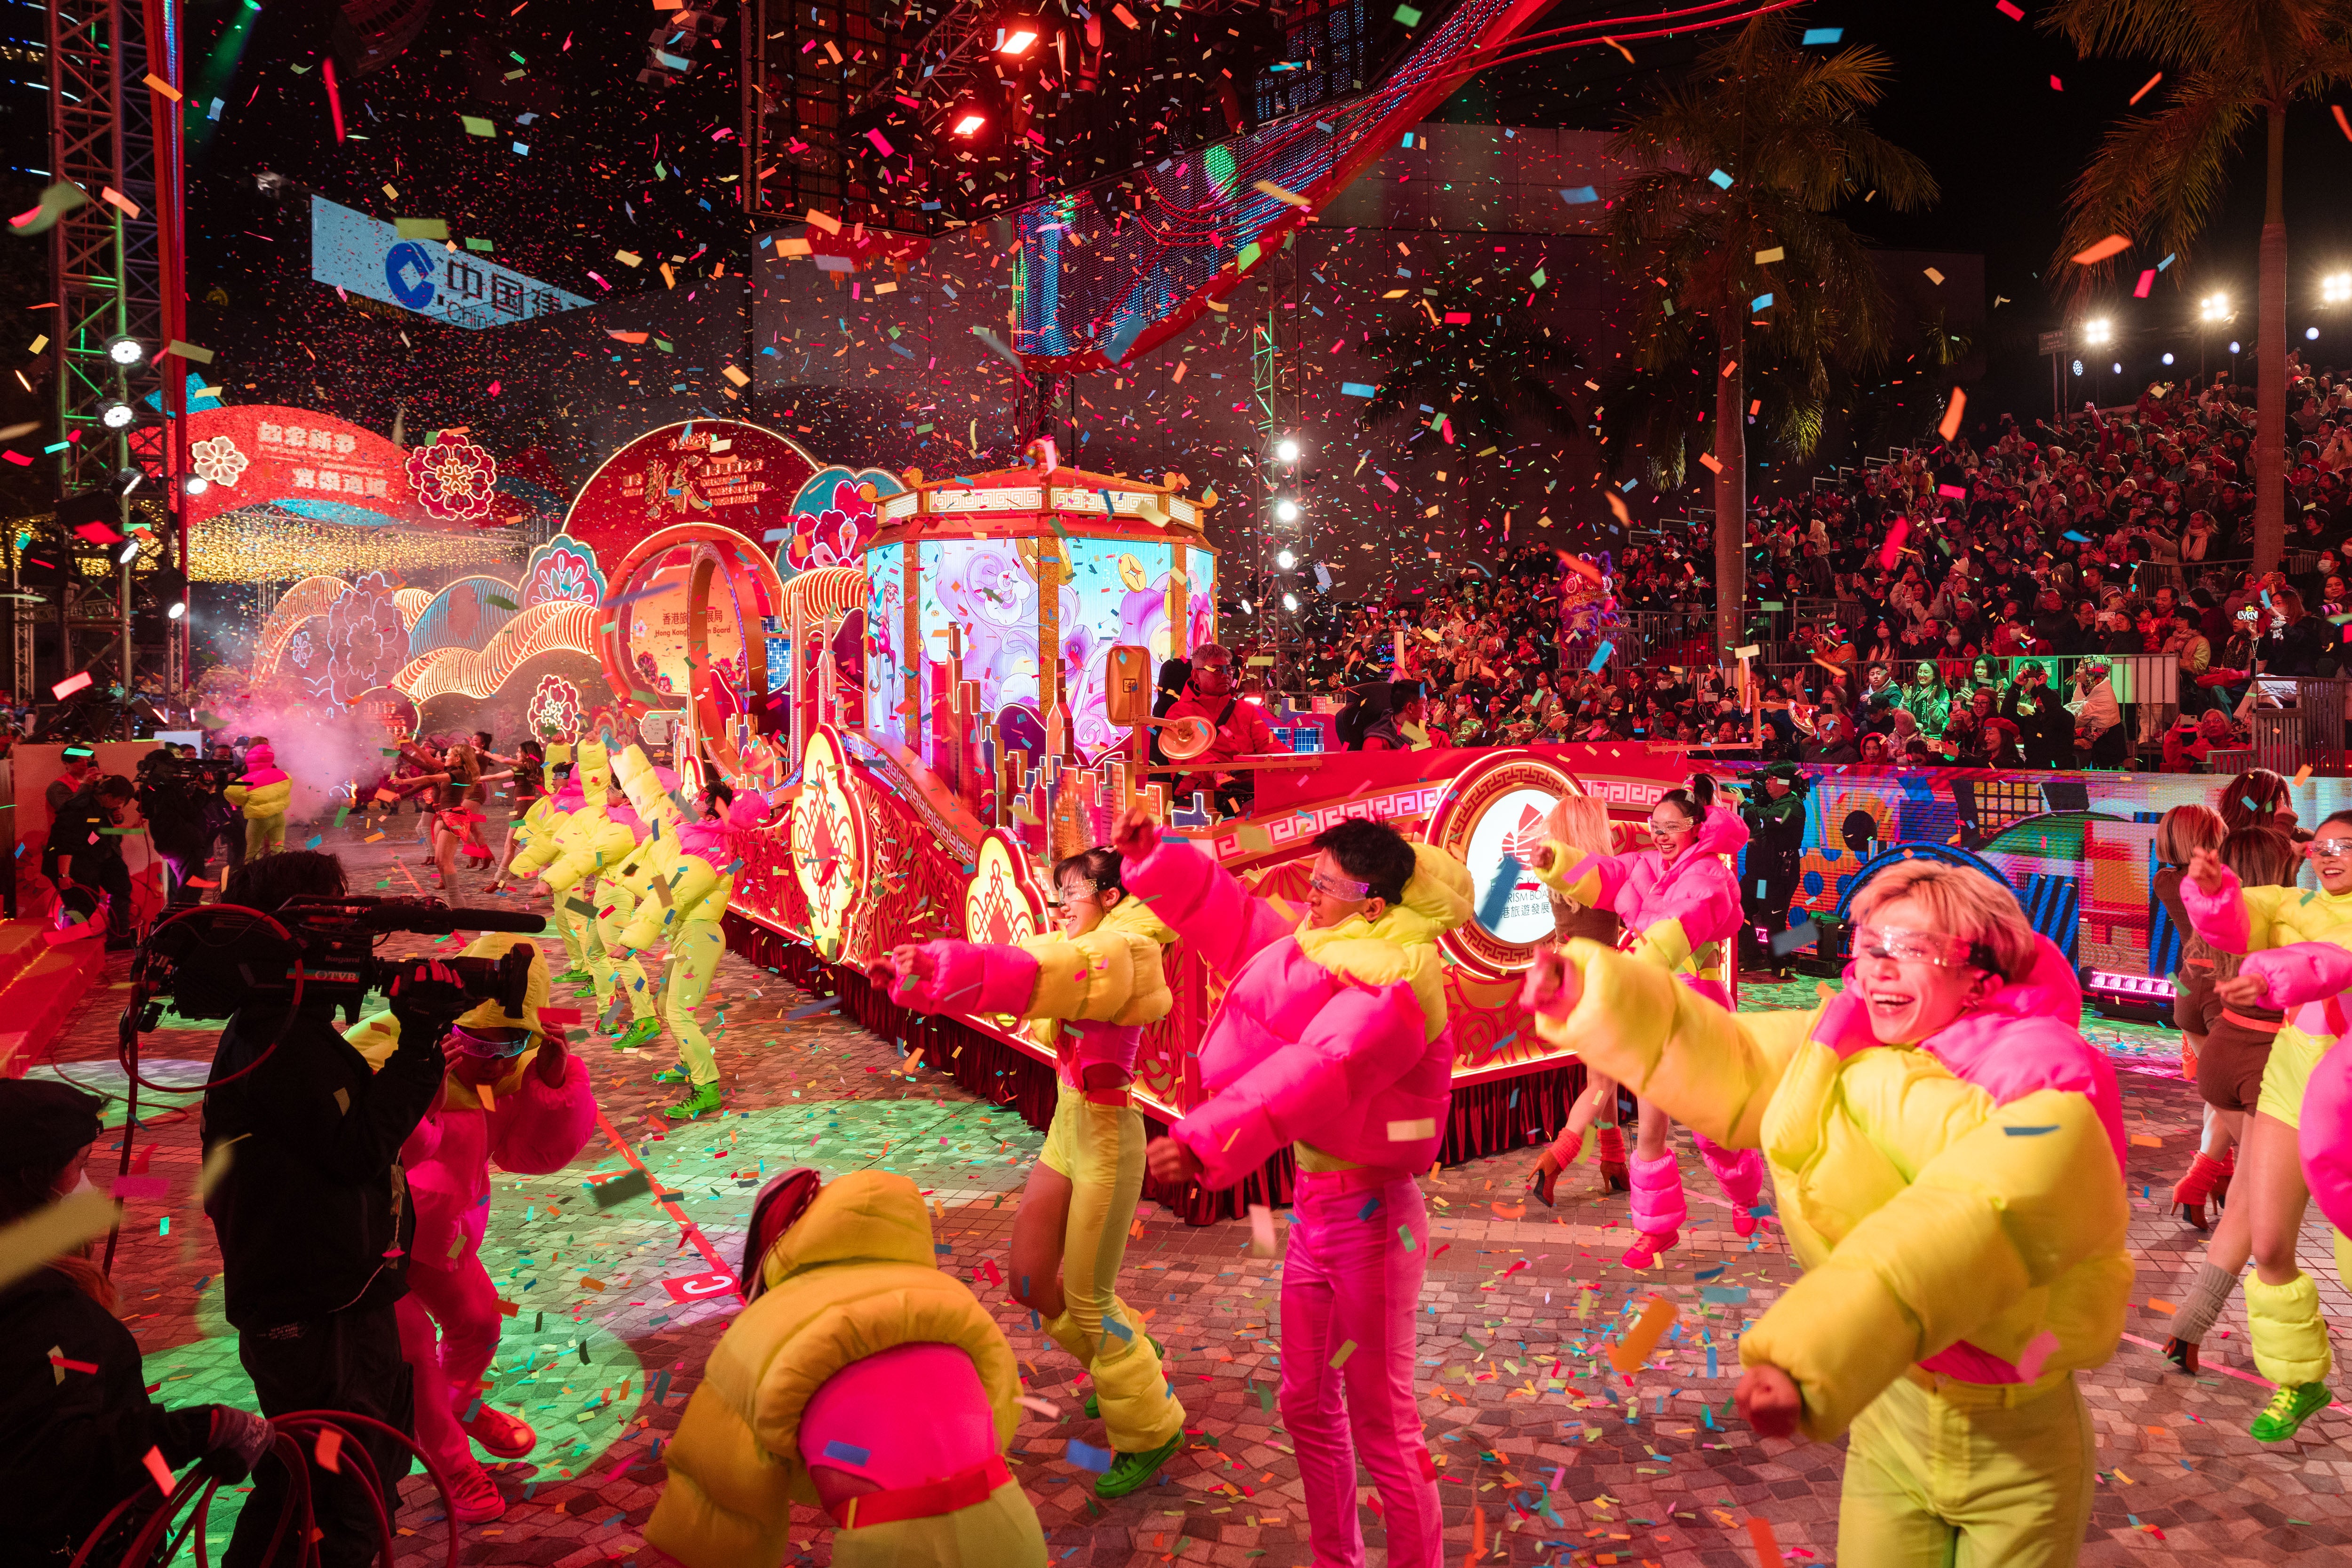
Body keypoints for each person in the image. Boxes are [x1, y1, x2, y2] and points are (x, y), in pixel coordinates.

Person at [1519, 860, 2130, 1568]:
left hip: (2018, 1448)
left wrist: (1813, 1356)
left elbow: (1973, 1219)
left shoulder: (2051, 1080)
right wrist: (1592, 995)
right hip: (1889, 1417)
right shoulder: (1848, 1037)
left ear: (1981, 973)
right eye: (1871, 947)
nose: (1879, 971)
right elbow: (1736, 1062)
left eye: (1912, 951)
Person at [1124, 808, 1469, 1568]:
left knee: (1382, 1421)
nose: (1308, 896)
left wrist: (1204, 1137)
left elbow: (1324, 1068)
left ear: (1374, 904)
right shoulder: (1332, 946)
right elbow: (1239, 920)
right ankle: (1333, 1556)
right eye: (1311, 882)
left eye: (1325, 886)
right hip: (1318, 1207)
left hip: (1374, 1219)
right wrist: (1161, 859)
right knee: (1305, 1403)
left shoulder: (1398, 982)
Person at [875, 845, 1184, 1496]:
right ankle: (1129, 1357)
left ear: (1110, 895)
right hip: (1067, 1131)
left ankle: (1152, 1429)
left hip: (1107, 1138)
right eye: (1059, 893)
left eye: (1074, 892)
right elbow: (1033, 973)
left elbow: (1053, 970)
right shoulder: (1087, 946)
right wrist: (923, 981)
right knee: (1026, 1280)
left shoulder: (1125, 951)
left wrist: (939, 965)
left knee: (1089, 1301)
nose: (1061, 905)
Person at [201, 850, 477, 1568]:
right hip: (314, 1317)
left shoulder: (296, 1028)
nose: (354, 932)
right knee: (344, 1496)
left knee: (334, 1479)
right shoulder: (277, 1041)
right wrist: (417, 1044)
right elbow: (358, 1149)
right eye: (336, 914)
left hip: (348, 1298)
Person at [646, 1169, 1048, 1568]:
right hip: (1009, 1517)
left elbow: (720, 1495)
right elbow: (999, 1407)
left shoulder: (767, 1323)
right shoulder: (949, 1296)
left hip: (892, 1544)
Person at [343, 935, 596, 1524]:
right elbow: (365, 1156)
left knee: (479, 1320)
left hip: (440, 1235)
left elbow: (530, 1156)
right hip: (365, 1240)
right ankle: (453, 1462)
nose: (492, 1058)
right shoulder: (381, 1051)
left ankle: (461, 1404)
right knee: (412, 1354)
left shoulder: (512, 1073)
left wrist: (552, 1087)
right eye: (475, 1040)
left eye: (509, 1043)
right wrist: (418, 1096)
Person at [0, 1081, 275, 1566]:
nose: (90, 1185)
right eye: (81, 1165)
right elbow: (56, 1465)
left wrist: (168, 1464)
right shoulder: (38, 1307)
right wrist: (197, 1430)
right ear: (30, 1180)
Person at [1525, 777, 1768, 1265]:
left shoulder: (1710, 878)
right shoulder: (1644, 866)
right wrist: (1560, 863)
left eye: (1669, 827)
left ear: (1696, 828)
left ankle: (1745, 1197)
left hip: (1694, 1006)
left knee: (1711, 1126)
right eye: (1654, 827)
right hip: (1649, 1005)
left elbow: (1682, 925)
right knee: (1651, 1127)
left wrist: (1637, 967)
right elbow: (1607, 874)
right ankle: (1654, 1229)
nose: (1658, 835)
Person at [2163, 816, 2352, 1438]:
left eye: (2345, 847)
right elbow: (2235, 923)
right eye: (2322, 846)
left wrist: (2272, 976)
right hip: (2288, 1089)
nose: (2330, 857)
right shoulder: (2291, 901)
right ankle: (2299, 1379)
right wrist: (2213, 893)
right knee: (2269, 1244)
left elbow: (2326, 964)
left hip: (2346, 1107)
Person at [2168, 827, 2294, 1234]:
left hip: (2189, 986)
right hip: (2237, 1025)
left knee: (2226, 1112)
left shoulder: (2179, 885)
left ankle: (2209, 1179)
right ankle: (2206, 1180)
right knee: (2262, 1166)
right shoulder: (2279, 917)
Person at [1160, 643, 1287, 817]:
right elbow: (1189, 759)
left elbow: (1269, 744)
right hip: (1202, 799)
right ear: (1196, 675)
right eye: (1217, 670)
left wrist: (1293, 763)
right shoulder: (1179, 713)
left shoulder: (1245, 709)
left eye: (1229, 669)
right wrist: (1217, 772)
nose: (1227, 676)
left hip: (1249, 793)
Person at [43, 772, 139, 950]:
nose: (121, 805)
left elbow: (99, 831)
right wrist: (64, 874)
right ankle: (70, 944)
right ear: (108, 796)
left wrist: (128, 827)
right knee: (82, 904)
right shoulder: (80, 808)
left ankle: (117, 937)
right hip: (69, 862)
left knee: (115, 890)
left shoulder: (100, 807)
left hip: (91, 857)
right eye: (119, 800)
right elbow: (67, 845)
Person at [1739, 761, 1810, 978]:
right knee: (1739, 911)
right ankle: (1753, 957)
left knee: (1774, 921)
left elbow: (1771, 820)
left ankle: (1780, 964)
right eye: (1767, 778)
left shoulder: (1793, 806)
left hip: (1777, 877)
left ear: (1786, 783)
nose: (1768, 783)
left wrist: (1746, 805)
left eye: (1772, 779)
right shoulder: (1768, 803)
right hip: (1756, 876)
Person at [240, 742, 291, 860]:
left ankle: (255, 872)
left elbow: (235, 794)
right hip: (272, 815)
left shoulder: (248, 770)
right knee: (276, 847)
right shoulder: (277, 773)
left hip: (258, 815)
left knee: (255, 848)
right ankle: (274, 868)